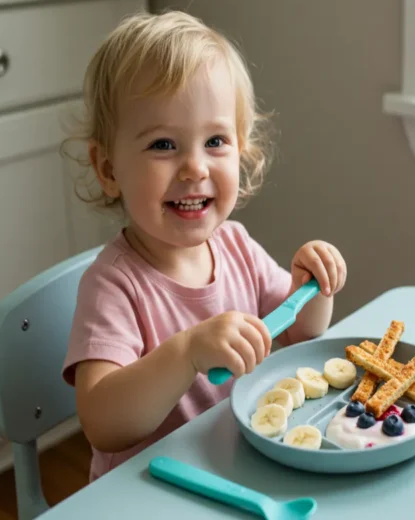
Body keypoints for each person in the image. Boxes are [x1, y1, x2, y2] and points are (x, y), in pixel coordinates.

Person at [60, 10, 347, 481]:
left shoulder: (236, 245)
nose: (194, 168)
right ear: (109, 169)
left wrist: (312, 287)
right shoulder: (114, 285)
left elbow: (299, 333)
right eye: (163, 145)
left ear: (242, 150)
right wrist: (186, 353)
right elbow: (102, 424)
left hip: (231, 470)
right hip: (149, 494)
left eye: (215, 140)